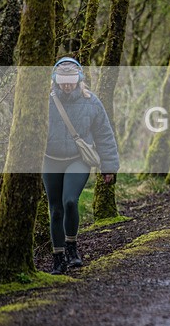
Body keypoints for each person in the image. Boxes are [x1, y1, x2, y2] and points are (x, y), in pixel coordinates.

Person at [44, 57, 119, 274]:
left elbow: (104, 135)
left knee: (69, 202)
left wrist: (109, 167)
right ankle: (57, 258)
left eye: (71, 81)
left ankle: (71, 248)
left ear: (79, 79)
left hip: (78, 159)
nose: (67, 85)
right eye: (62, 81)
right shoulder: (44, 101)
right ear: (55, 81)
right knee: (55, 210)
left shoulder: (91, 102)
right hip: (51, 160)